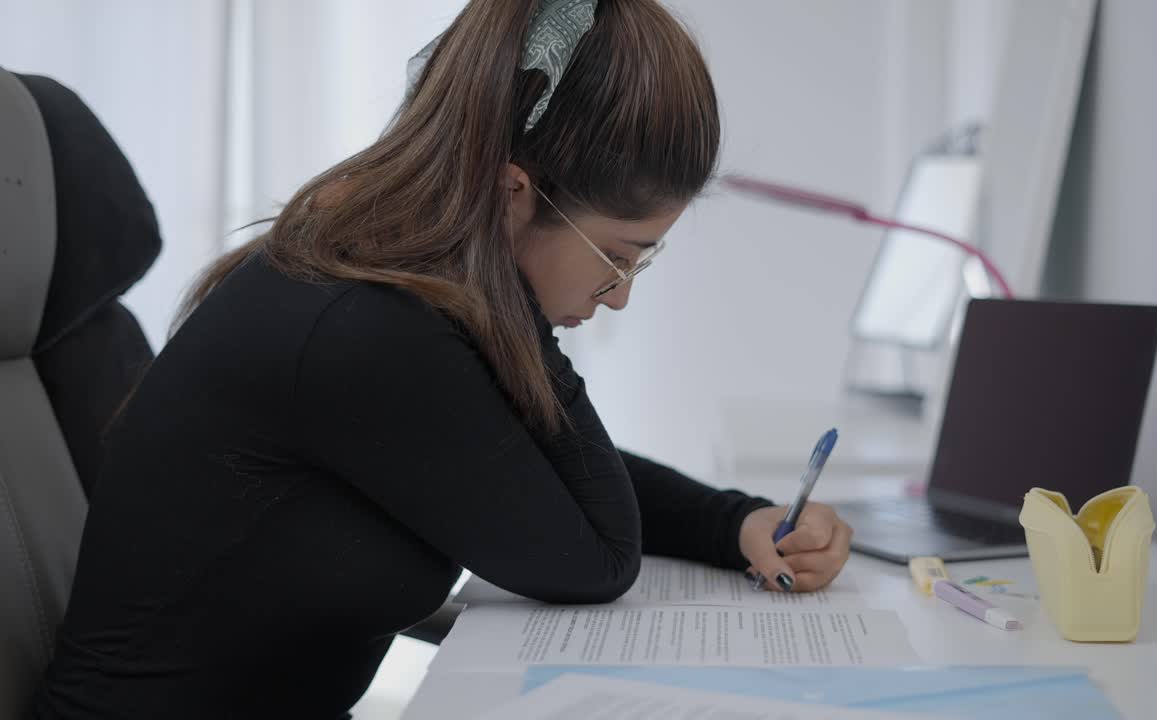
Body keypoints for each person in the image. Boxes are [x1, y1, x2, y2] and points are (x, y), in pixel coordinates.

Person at [32, 0, 853, 717]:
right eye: (616, 257)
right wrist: (526, 319)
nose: (619, 295)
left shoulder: (380, 286)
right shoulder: (362, 325)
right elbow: (598, 556)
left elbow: (509, 461)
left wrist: (733, 520)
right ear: (513, 193)